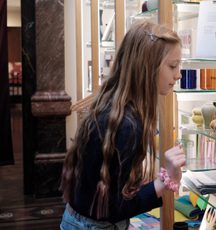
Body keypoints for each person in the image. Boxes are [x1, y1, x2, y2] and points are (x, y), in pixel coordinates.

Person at [60, 20, 185, 229]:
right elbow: (114, 207)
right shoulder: (127, 125)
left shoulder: (112, 105)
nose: (179, 74)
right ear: (147, 66)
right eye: (173, 66)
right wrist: (165, 181)